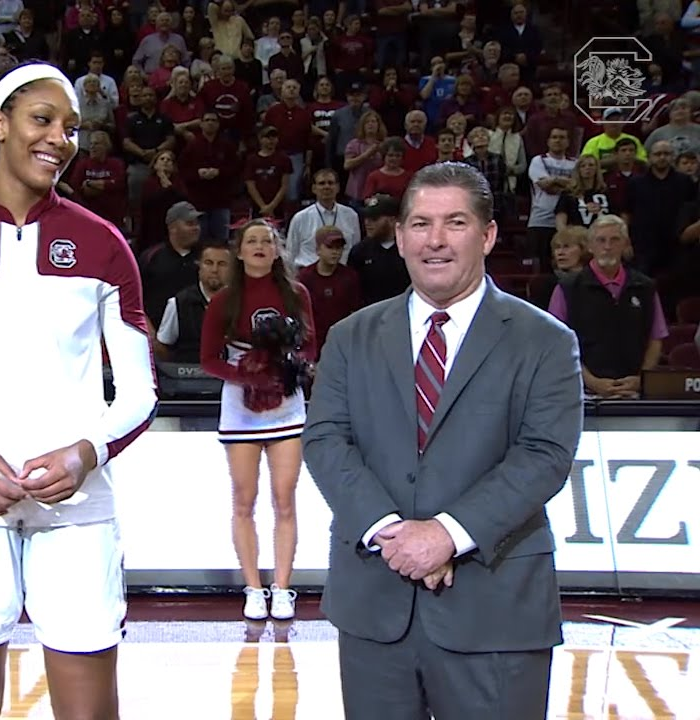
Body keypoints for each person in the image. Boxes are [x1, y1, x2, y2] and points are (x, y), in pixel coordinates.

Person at [0, 62, 158, 720]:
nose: (60, 139)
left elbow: (139, 392)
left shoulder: (103, 244)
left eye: (71, 127)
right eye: (43, 120)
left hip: (77, 506)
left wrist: (83, 456)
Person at [302, 162, 583, 718]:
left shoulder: (545, 341)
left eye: (455, 222)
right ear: (400, 236)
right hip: (376, 610)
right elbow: (327, 441)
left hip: (495, 610)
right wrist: (393, 535)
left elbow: (544, 455)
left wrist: (447, 536)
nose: (435, 240)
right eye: (421, 223)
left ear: (489, 234)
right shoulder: (350, 336)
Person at [199, 219, 315, 621]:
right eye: (252, 241)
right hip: (240, 406)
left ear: (277, 250)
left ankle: (282, 588)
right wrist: (246, 375)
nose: (261, 246)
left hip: (285, 402)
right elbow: (208, 359)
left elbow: (311, 346)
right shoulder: (224, 300)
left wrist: (287, 368)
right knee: (243, 500)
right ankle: (253, 587)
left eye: (267, 241)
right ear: (241, 251)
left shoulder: (296, 293)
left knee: (285, 499)